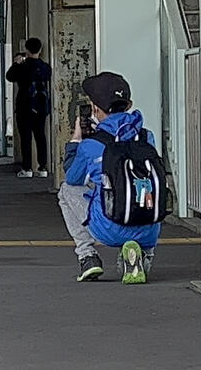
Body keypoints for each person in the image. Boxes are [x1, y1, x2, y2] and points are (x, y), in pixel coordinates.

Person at [61, 72, 166, 284]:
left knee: (66, 191)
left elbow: (73, 178)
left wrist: (75, 142)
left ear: (95, 109)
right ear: (129, 105)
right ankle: (143, 256)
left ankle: (87, 257)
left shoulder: (92, 145)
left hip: (110, 229)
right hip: (149, 227)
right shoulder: (147, 137)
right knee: (142, 189)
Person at [6, 38, 53, 178]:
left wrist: (17, 63)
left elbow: (9, 77)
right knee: (40, 136)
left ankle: (27, 169)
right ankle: (43, 167)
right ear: (40, 50)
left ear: (26, 49)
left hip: (24, 106)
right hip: (40, 106)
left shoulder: (22, 67)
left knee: (25, 137)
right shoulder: (45, 67)